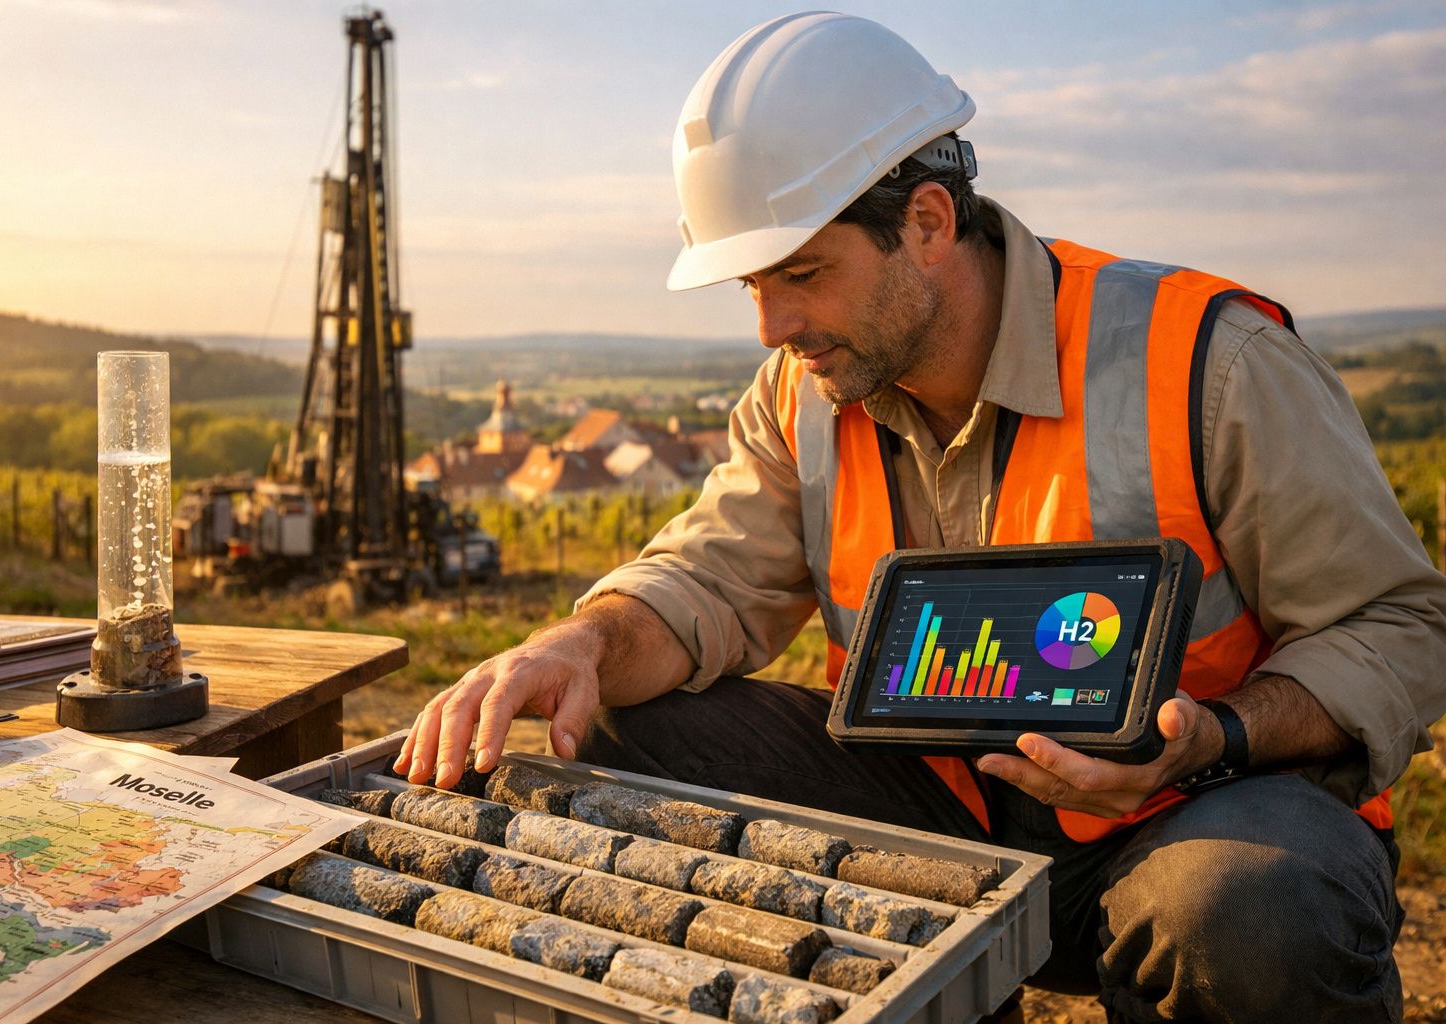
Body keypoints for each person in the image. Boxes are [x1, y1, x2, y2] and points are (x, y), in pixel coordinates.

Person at [393, 12, 1446, 1022]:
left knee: (1244, 915)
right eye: (752, 284)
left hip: (1193, 816)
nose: (774, 325)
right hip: (947, 825)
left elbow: (1401, 627)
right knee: (623, 720)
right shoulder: (805, 391)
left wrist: (1208, 738)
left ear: (929, 223)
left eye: (803, 273)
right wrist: (579, 641)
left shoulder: (1208, 363)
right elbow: (708, 583)